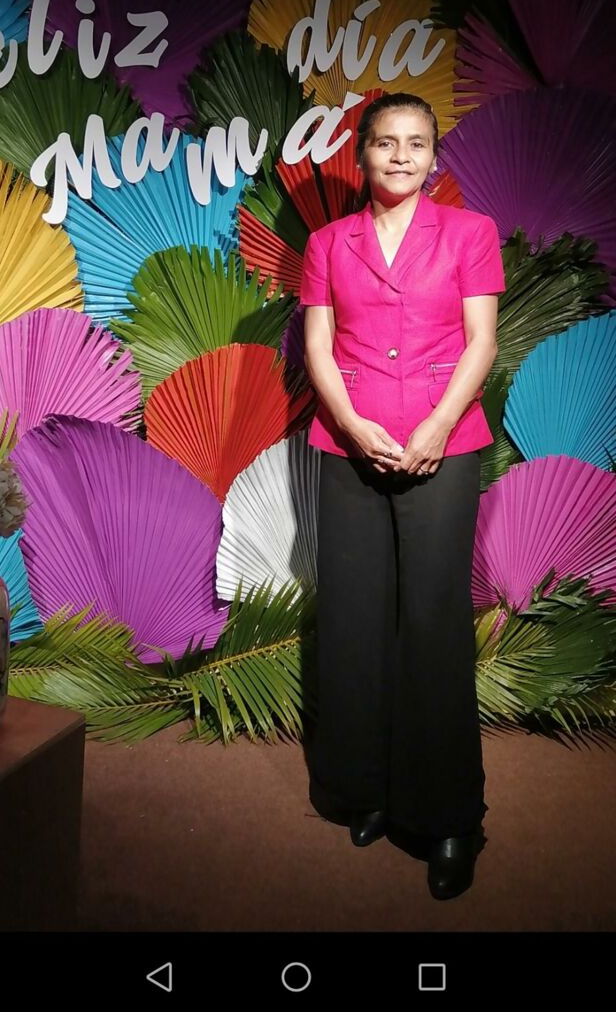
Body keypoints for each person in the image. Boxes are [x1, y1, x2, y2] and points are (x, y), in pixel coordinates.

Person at [300, 90, 506, 900]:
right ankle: (368, 790)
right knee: (353, 621)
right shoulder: (327, 242)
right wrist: (351, 425)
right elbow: (319, 345)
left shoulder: (471, 233)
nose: (401, 156)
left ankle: (450, 818)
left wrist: (437, 426)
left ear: (433, 156)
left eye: (416, 143)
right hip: (347, 446)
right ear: (363, 153)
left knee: (433, 624)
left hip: (442, 448)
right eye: (386, 142)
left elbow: (481, 340)